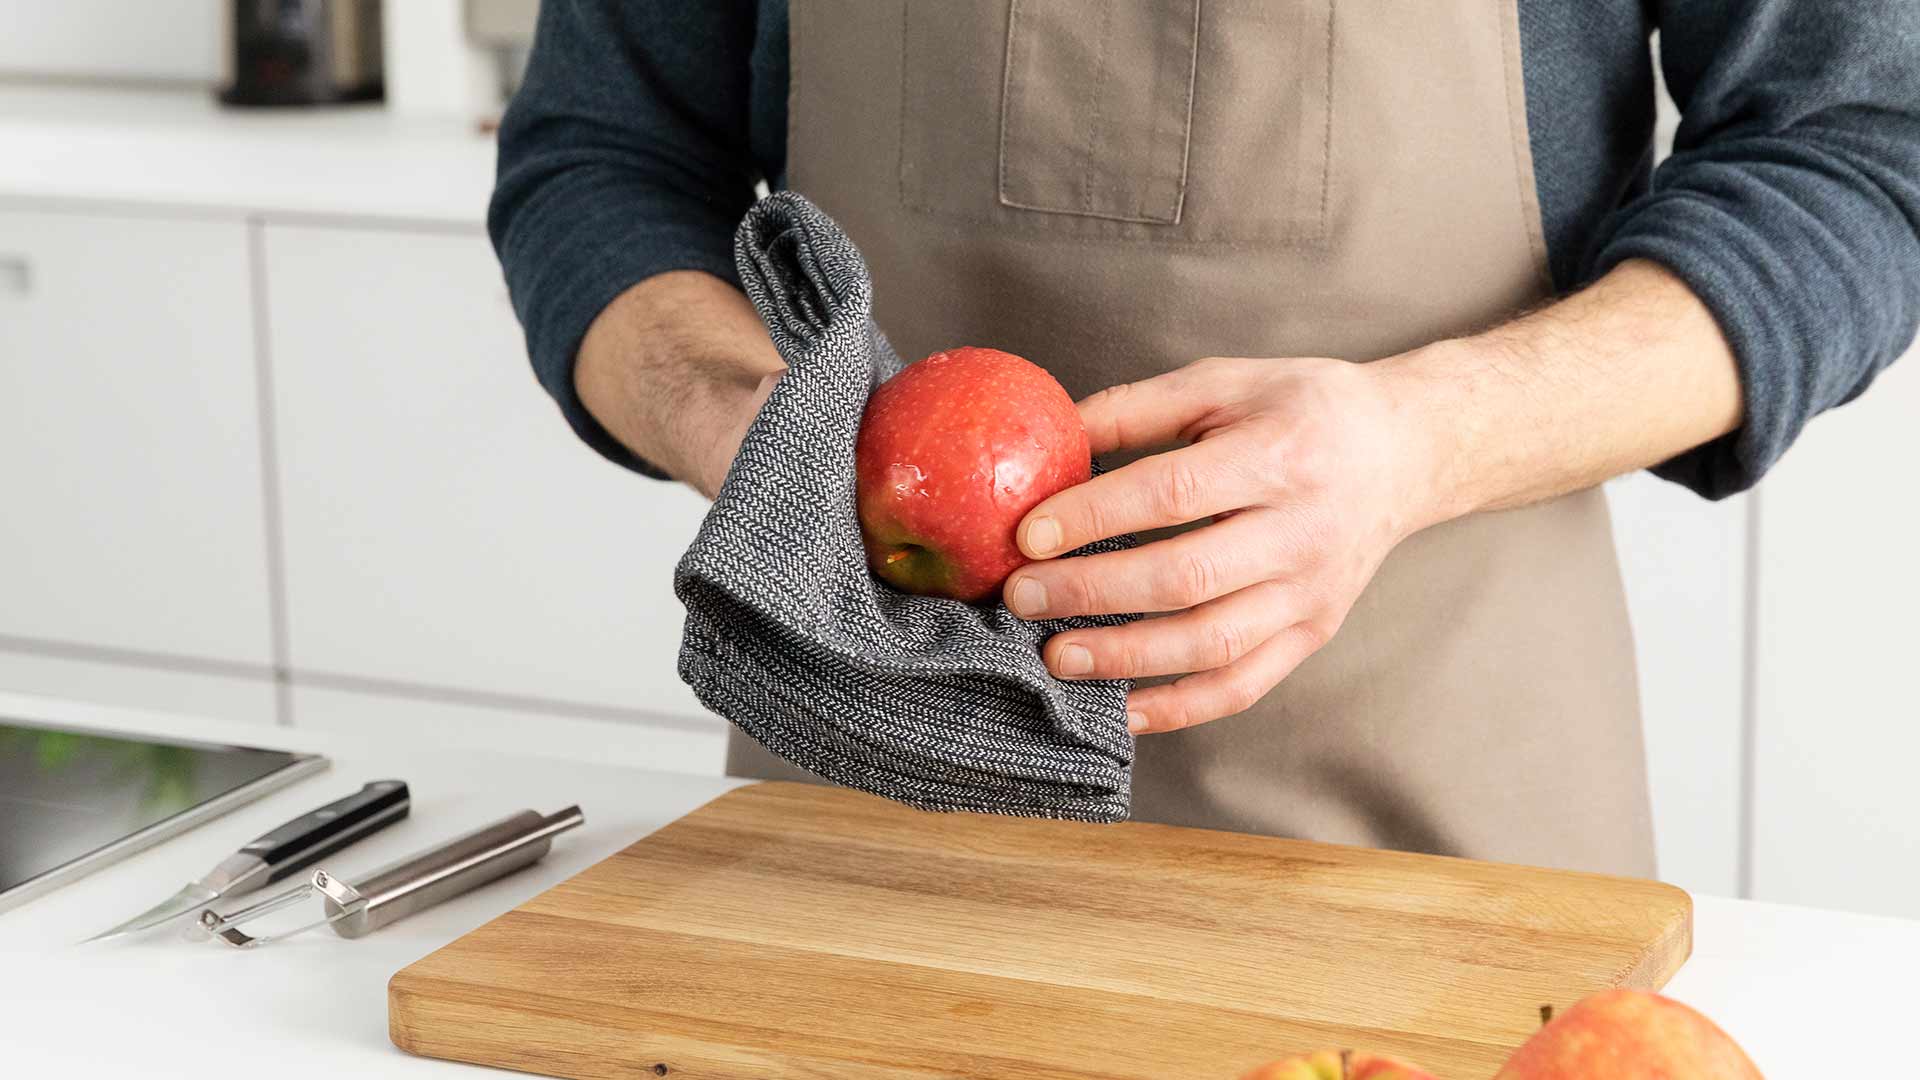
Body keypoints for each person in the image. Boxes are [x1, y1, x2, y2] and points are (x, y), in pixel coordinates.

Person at [489, 1, 1920, 876]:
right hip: (861, 835)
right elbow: (600, 154)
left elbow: (1863, 148)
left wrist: (1418, 441)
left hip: (1431, 834)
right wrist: (757, 430)